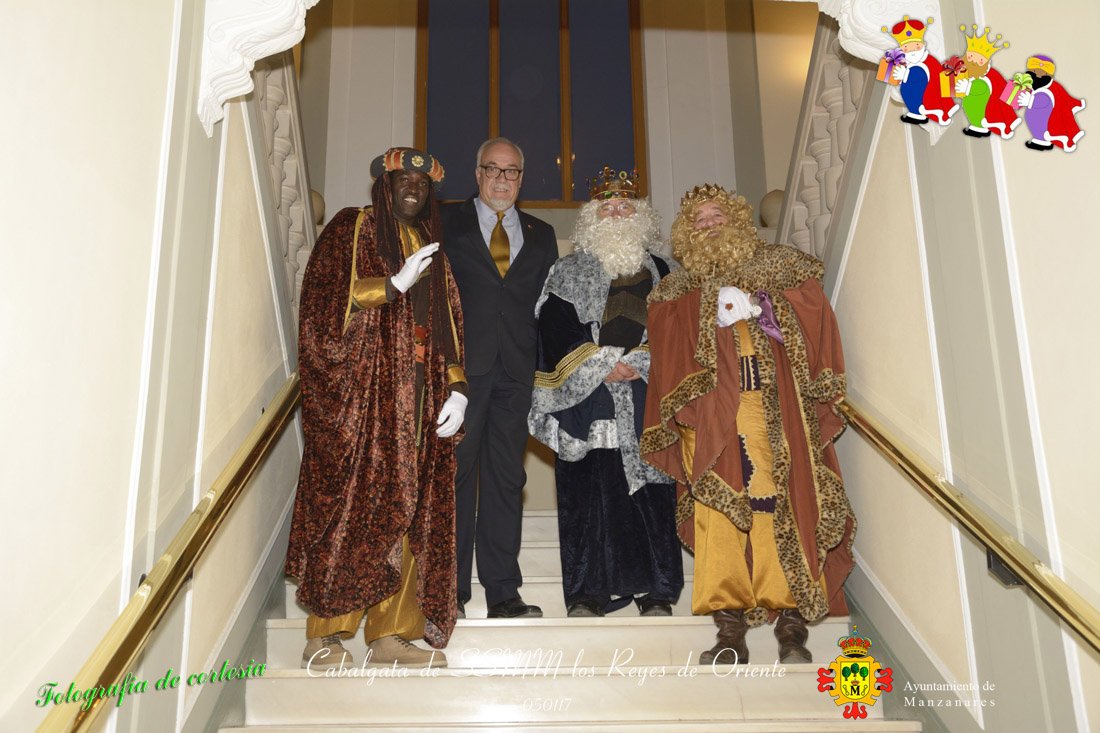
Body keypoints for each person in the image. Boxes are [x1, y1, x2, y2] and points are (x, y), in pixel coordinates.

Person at [641, 184, 856, 665]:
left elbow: (814, 312)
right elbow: (665, 343)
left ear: (737, 219)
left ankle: (791, 627)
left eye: (717, 215)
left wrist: (761, 307)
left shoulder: (779, 265)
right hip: (710, 417)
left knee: (782, 505)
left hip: (774, 409)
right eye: (698, 219)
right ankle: (730, 630)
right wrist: (707, 310)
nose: (709, 224)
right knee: (717, 514)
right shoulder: (677, 290)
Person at [285, 147, 467, 669]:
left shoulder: (432, 247)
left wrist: (458, 388)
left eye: (423, 183)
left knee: (412, 507)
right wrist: (391, 286)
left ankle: (391, 633)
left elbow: (450, 324)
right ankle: (326, 634)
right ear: (384, 186)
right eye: (403, 179)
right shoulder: (352, 227)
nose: (413, 187)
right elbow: (323, 307)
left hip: (421, 399)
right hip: (365, 399)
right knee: (353, 507)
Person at [528, 168, 683, 618]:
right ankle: (587, 593)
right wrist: (600, 364)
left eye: (624, 207)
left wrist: (641, 362)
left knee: (653, 494)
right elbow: (555, 330)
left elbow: (681, 332)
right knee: (587, 494)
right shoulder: (567, 271)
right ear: (591, 218)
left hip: (649, 396)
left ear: (640, 215)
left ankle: (656, 591)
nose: (616, 214)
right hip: (589, 400)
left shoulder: (668, 272)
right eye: (606, 208)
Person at [442, 137, 559, 619]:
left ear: (521, 179)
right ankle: (447, 591)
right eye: (493, 168)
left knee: (507, 478)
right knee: (455, 476)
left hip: (517, 373)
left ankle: (503, 593)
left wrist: (548, 376)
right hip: (460, 376)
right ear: (477, 174)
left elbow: (548, 308)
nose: (502, 179)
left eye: (511, 171)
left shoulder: (542, 234)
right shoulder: (444, 222)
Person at [882, 16, 959, 126]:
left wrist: (905, 75)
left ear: (923, 45)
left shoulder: (929, 61)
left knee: (914, 74)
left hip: (928, 96)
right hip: (919, 97)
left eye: (917, 46)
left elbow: (926, 76)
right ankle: (917, 112)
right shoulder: (903, 61)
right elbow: (888, 74)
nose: (912, 50)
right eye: (907, 48)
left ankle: (925, 110)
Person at [954, 25, 1020, 139]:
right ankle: (977, 127)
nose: (974, 61)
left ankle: (984, 124)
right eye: (970, 57)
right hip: (973, 111)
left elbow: (982, 88)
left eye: (980, 60)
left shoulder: (986, 78)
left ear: (986, 63)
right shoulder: (965, 73)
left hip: (985, 111)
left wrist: (968, 88)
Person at [1014, 54, 1085, 152]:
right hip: (1036, 121)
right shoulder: (1029, 84)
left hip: (1047, 122)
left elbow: (1045, 101)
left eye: (1042, 73)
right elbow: (1013, 101)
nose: (1038, 75)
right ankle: (1039, 140)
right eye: (1034, 71)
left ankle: (1042, 140)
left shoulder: (1052, 88)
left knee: (1040, 126)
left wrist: (1030, 101)